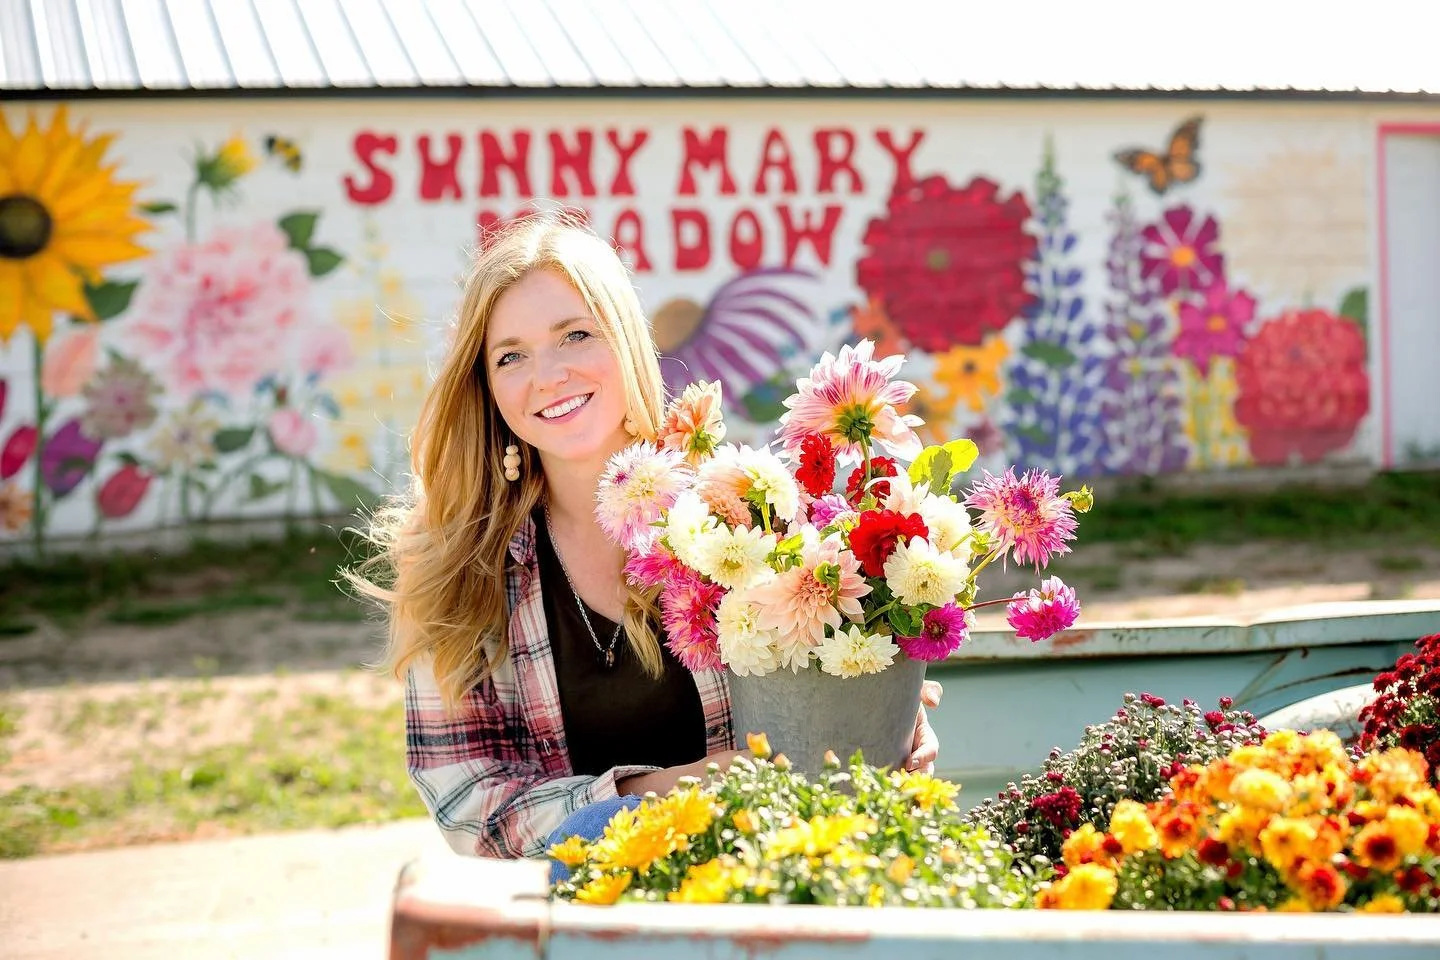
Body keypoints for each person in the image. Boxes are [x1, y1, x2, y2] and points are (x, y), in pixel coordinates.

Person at [351, 213, 941, 861]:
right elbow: (468, 805)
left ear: (626, 341)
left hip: (772, 880)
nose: (548, 374)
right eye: (511, 355)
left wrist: (882, 713)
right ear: (487, 385)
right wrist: (662, 794)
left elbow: (829, 699)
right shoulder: (463, 564)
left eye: (575, 335)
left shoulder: (745, 516)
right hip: (590, 904)